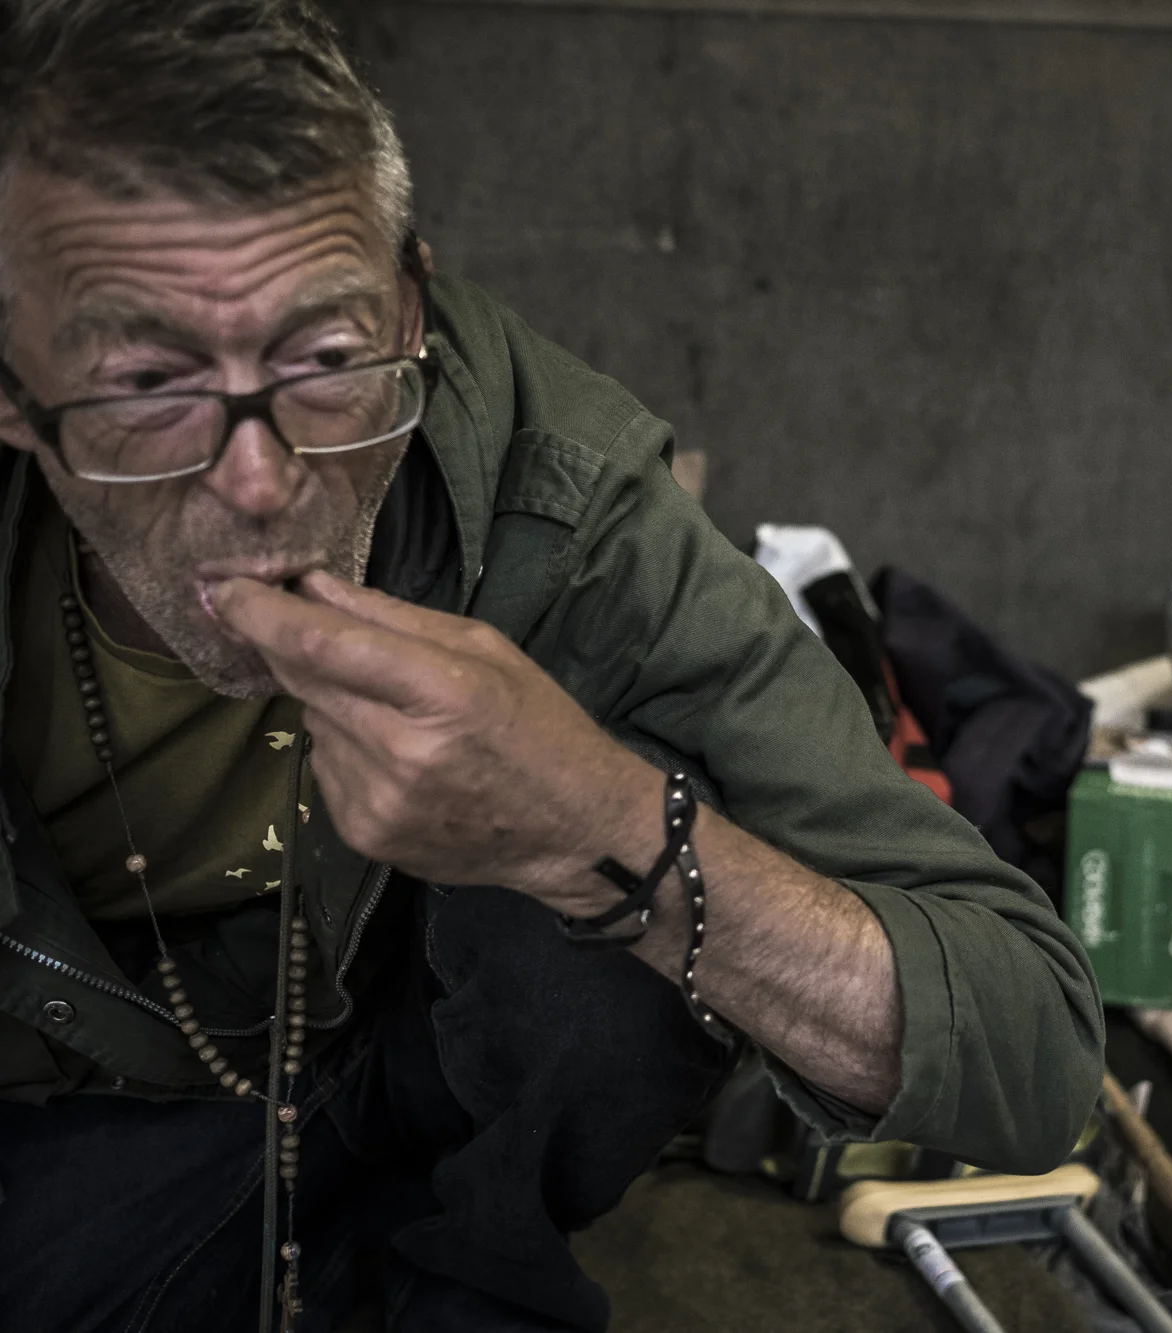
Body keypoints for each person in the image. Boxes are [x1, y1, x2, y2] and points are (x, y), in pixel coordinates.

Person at [0, 3, 1103, 1329]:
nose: (262, 481)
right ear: (14, 389)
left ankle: (448, 1263)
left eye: (327, 358)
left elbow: (1030, 1045)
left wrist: (593, 826)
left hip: (399, 1103)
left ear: (412, 310)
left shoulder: (557, 495)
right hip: (70, 1116)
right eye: (143, 387)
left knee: (659, 807)